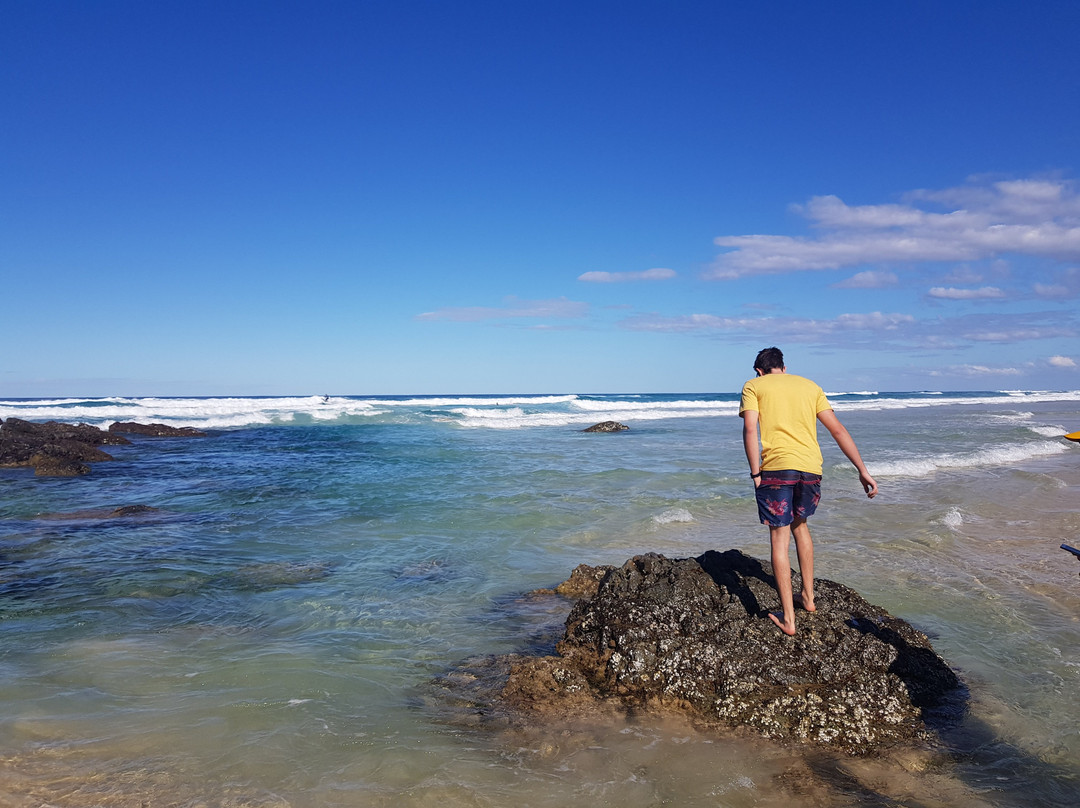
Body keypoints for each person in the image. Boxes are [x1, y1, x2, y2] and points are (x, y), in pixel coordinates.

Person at [739, 347, 878, 636]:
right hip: (810, 469)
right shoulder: (810, 386)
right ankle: (809, 598)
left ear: (759, 371)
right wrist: (862, 470)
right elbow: (837, 430)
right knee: (800, 527)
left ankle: (789, 620)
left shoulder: (754, 386)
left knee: (779, 539)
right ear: (784, 368)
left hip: (777, 469)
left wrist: (755, 473)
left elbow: (751, 430)